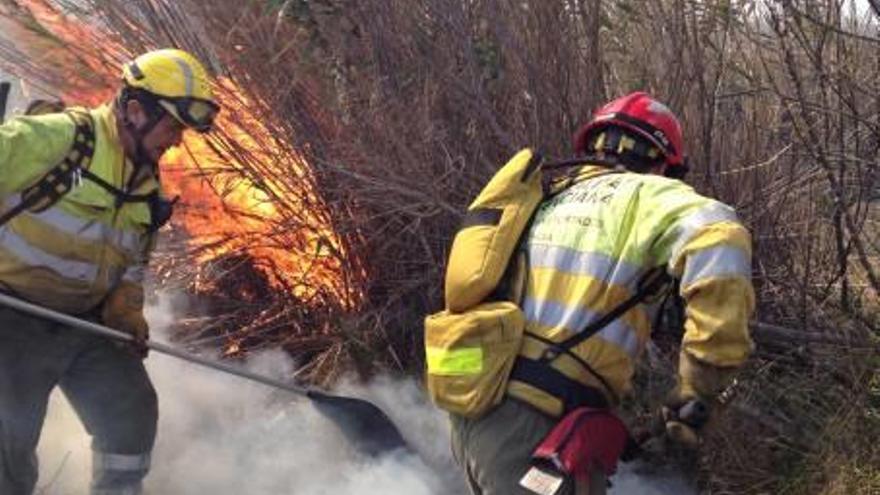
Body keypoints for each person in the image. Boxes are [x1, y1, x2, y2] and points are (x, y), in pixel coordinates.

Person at [449, 92, 755, 494]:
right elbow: (723, 239)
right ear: (664, 163)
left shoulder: (543, 197)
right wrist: (697, 391)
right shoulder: (653, 195)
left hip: (471, 409)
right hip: (537, 428)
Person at [0, 48, 219, 495]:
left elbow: (133, 261)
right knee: (9, 440)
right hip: (12, 313)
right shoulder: (61, 138)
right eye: (173, 125)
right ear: (136, 111)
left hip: (86, 320)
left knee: (131, 414)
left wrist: (124, 311)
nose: (176, 140)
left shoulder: (146, 181)